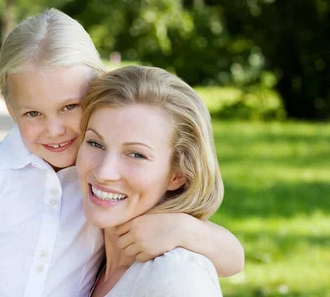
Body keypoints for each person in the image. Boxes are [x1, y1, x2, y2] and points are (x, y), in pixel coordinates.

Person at [0, 9, 243, 297]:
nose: (54, 130)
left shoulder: (99, 187)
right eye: (33, 113)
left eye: (70, 106)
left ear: (97, 95)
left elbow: (233, 258)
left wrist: (184, 228)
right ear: (12, 111)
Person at [79, 65, 225, 296]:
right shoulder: (80, 244)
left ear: (178, 175)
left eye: (136, 154)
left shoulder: (176, 280)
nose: (104, 172)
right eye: (95, 143)